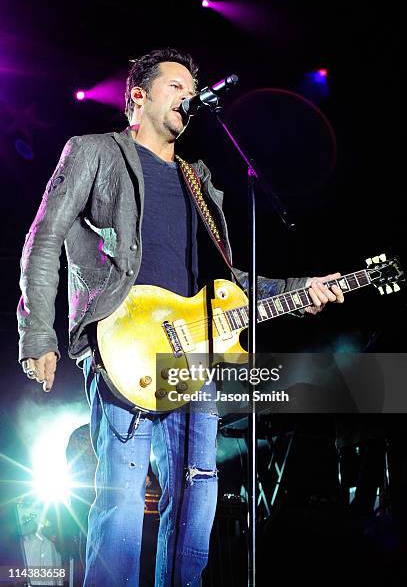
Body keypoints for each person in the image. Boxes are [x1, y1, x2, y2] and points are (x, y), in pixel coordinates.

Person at [17, 48, 344, 586]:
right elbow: (44, 238)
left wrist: (302, 289)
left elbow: (228, 281)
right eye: (176, 86)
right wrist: (38, 335)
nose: (188, 96)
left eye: (192, 89)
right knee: (120, 508)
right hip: (125, 342)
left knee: (197, 506)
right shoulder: (96, 152)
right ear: (137, 97)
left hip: (195, 352)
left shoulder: (201, 179)